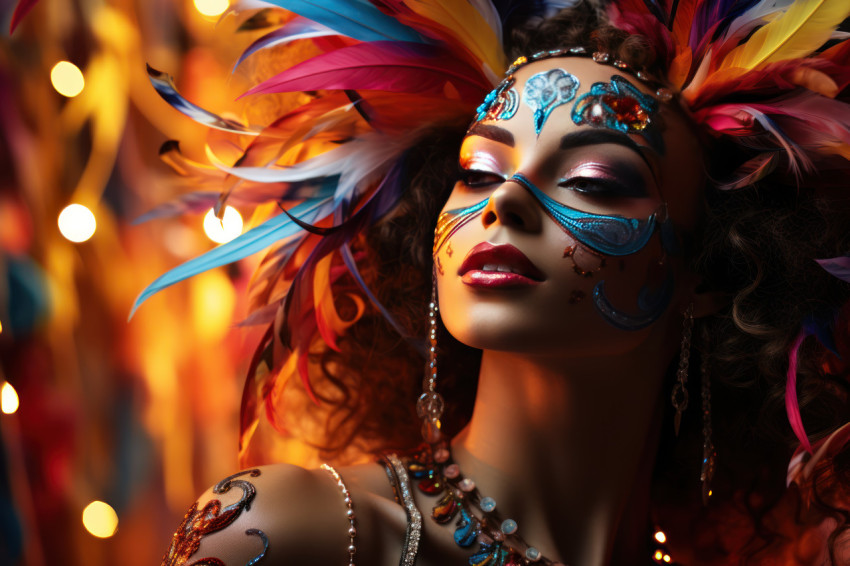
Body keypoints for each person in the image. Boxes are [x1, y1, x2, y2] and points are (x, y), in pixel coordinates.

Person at [147, 1, 850, 564]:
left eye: (592, 181)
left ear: (711, 270)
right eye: (478, 171)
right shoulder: (295, 534)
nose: (503, 202)